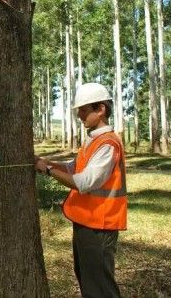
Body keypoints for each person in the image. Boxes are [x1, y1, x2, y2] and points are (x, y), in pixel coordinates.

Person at [35, 82, 127, 298]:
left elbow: (84, 181)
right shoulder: (93, 141)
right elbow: (73, 167)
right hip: (88, 222)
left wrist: (47, 169)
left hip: (100, 225)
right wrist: (50, 163)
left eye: (84, 110)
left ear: (101, 109)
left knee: (99, 287)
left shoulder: (108, 144)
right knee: (88, 279)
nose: (79, 116)